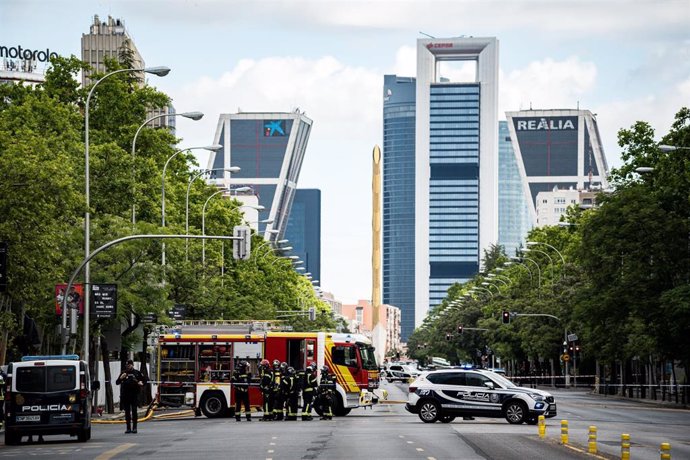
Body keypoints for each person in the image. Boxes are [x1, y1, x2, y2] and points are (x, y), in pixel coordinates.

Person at [116, 359, 146, 434]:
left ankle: (135, 427)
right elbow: (117, 382)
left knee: (134, 410)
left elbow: (144, 380)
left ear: (132, 365)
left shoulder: (137, 373)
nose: (128, 367)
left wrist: (141, 383)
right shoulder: (123, 373)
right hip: (125, 395)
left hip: (134, 395)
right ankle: (128, 427)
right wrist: (121, 378)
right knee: (127, 412)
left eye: (129, 365)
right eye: (127, 365)